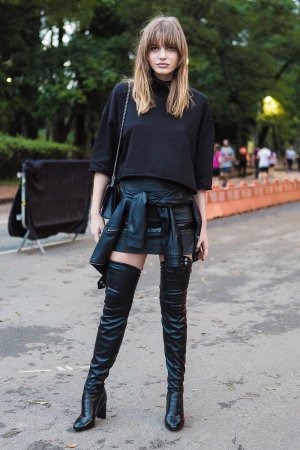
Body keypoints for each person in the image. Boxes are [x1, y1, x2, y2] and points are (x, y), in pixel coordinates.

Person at [73, 16, 214, 433]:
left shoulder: (197, 104)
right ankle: (92, 391)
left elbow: (201, 176)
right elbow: (102, 158)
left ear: (181, 52)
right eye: (155, 48)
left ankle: (175, 397)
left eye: (170, 48)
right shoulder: (123, 96)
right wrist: (94, 212)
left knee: (175, 313)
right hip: (131, 210)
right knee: (114, 310)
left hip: (178, 213)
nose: (162, 55)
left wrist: (206, 227)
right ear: (145, 52)